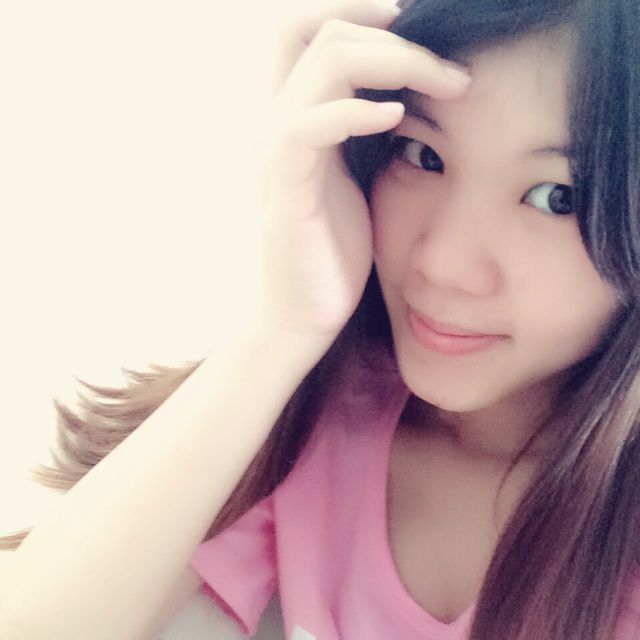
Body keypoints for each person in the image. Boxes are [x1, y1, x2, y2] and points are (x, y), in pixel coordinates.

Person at [1, 0, 640, 638]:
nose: (442, 264)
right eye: (421, 154)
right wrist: (284, 325)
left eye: (558, 197)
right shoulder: (321, 429)